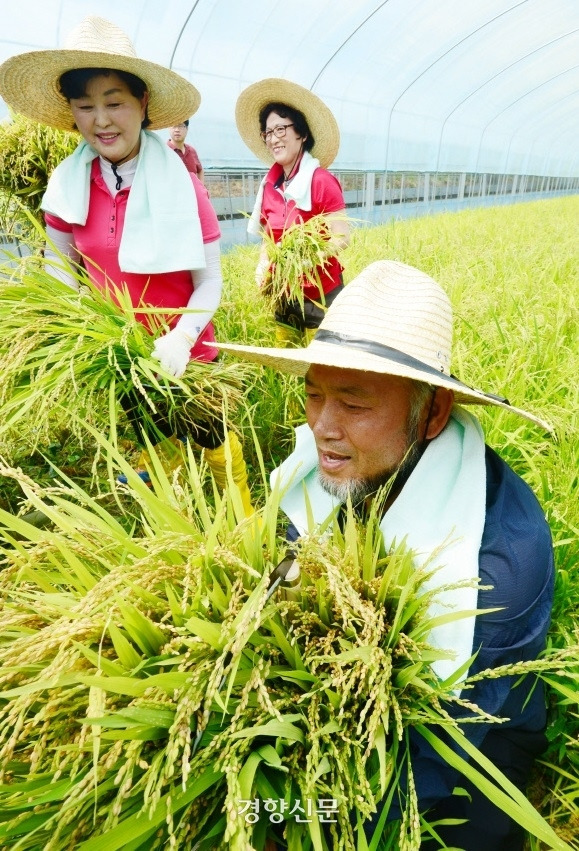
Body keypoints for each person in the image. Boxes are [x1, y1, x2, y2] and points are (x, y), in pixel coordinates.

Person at [212, 259, 555, 849]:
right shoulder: (325, 473)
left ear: (435, 412)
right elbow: (280, 575)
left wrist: (290, 810)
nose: (322, 427)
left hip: (468, 748)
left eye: (354, 403)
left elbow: (439, 751)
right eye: (313, 395)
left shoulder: (496, 565)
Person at [0, 15, 252, 515]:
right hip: (121, 358)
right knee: (155, 456)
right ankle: (177, 527)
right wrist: (61, 333)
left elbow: (209, 282)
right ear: (71, 113)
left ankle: (245, 520)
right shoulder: (67, 187)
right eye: (85, 106)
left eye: (114, 102)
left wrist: (181, 338)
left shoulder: (184, 185)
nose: (101, 120)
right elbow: (60, 275)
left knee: (218, 447)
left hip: (190, 355)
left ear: (143, 105)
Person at [235, 77, 350, 346]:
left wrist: (307, 261)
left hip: (320, 291)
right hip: (283, 290)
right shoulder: (270, 186)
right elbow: (268, 237)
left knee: (320, 365)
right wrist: (263, 265)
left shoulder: (321, 181)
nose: (273, 138)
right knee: (285, 354)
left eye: (281, 129)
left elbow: (342, 237)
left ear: (302, 134)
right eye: (268, 133)